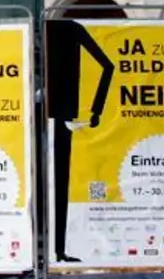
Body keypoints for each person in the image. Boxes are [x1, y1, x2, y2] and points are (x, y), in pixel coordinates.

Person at [43, 19, 114, 263]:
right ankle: (58, 250)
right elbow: (108, 66)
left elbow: (107, 66)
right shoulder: (71, 29)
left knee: (48, 183)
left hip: (41, 112)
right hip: (67, 112)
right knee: (61, 180)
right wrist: (96, 112)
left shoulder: (40, 31)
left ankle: (56, 249)